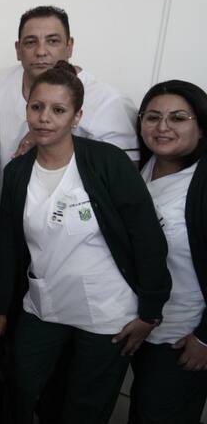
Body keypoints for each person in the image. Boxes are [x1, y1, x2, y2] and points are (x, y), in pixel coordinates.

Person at [0, 64, 171, 424]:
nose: (44, 118)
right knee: (22, 384)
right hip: (45, 302)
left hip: (107, 312)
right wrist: (0, 308)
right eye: (36, 107)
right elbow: (8, 245)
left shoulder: (106, 162)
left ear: (77, 115)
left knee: (86, 405)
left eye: (58, 110)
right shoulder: (21, 171)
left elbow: (147, 238)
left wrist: (151, 311)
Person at [0, 5, 139, 225]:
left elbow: (125, 180)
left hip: (75, 239)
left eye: (53, 41)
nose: (41, 51)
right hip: (5, 231)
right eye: (30, 42)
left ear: (69, 46)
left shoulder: (108, 102)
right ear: (18, 49)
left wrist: (52, 138)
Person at [129, 80, 207, 424]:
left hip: (181, 336)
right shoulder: (136, 172)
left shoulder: (200, 183)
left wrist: (205, 339)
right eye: (152, 117)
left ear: (201, 127)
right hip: (134, 325)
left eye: (178, 118)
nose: (162, 127)